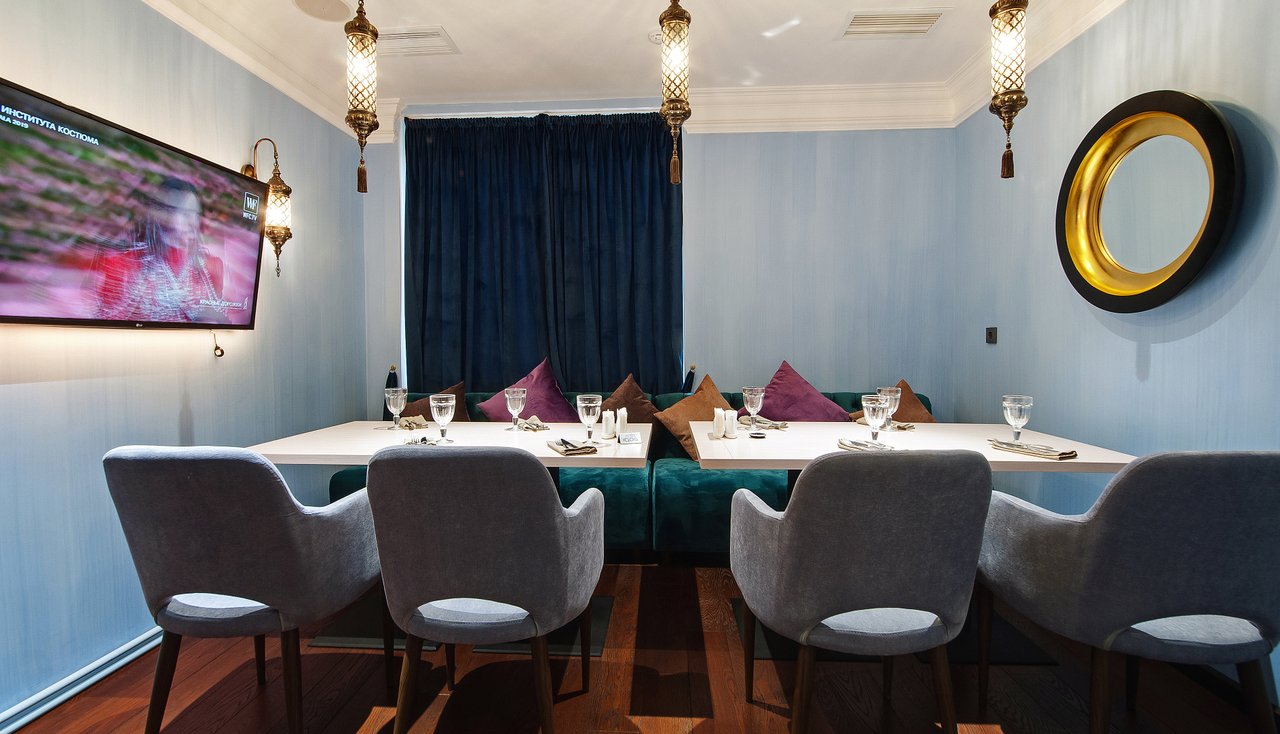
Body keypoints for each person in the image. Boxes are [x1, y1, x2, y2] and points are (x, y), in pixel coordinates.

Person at [94, 177, 227, 323]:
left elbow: (219, 318)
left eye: (196, 214)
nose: (193, 222)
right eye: (185, 214)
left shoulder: (211, 267)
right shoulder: (123, 264)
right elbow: (105, 320)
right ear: (163, 215)